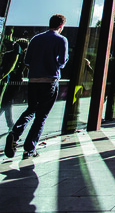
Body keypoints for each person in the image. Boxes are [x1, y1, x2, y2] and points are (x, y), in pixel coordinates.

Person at [5, 14, 68, 159]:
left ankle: (15, 133)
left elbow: (27, 60)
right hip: (49, 81)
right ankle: (29, 149)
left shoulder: (35, 39)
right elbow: (62, 62)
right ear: (61, 26)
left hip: (33, 81)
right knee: (41, 117)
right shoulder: (61, 40)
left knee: (30, 110)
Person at [0, 38, 29, 129]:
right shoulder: (23, 56)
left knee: (6, 103)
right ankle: (10, 124)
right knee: (7, 102)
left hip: (9, 80)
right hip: (15, 82)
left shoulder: (9, 54)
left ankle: (10, 124)